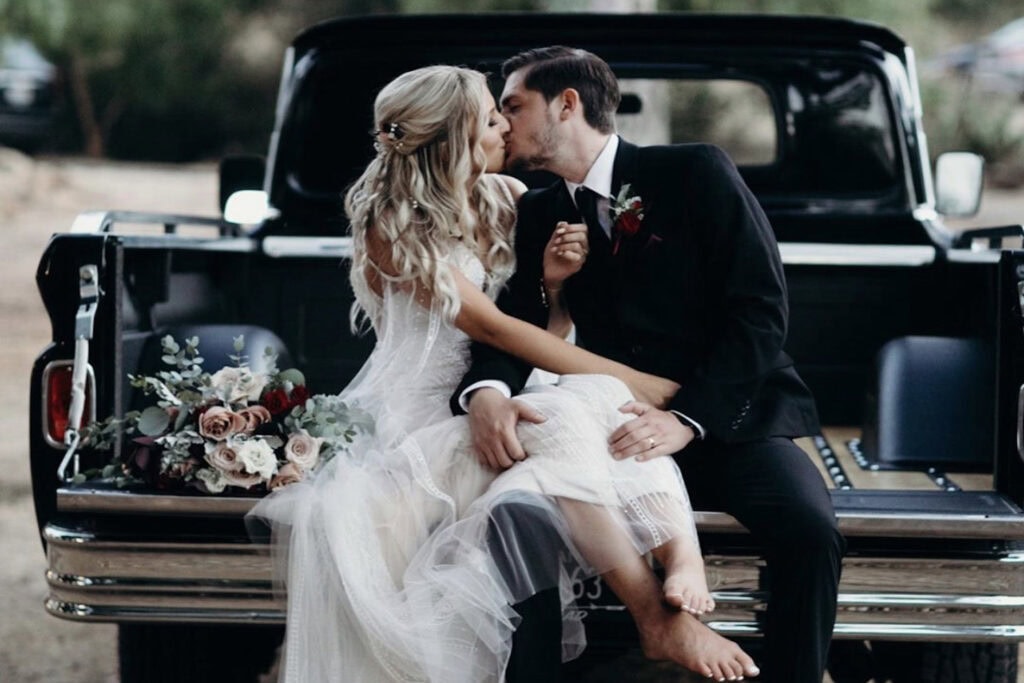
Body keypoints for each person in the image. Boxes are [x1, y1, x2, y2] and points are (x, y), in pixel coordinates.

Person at [250, 64, 757, 683]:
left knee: (591, 404)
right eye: (492, 117)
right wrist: (638, 381)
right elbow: (490, 328)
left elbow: (542, 334)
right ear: (455, 133)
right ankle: (654, 617)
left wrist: (551, 285)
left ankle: (681, 561)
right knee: (586, 401)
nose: (506, 128)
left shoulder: (512, 199)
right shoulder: (390, 223)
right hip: (421, 414)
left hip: (509, 388)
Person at [453, 47, 847, 683]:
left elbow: (761, 312)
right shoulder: (537, 210)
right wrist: (488, 392)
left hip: (724, 421)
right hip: (605, 431)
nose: (504, 123)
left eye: (514, 106)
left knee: (809, 530)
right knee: (520, 519)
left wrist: (689, 418)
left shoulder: (695, 172)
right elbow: (512, 324)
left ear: (568, 104)